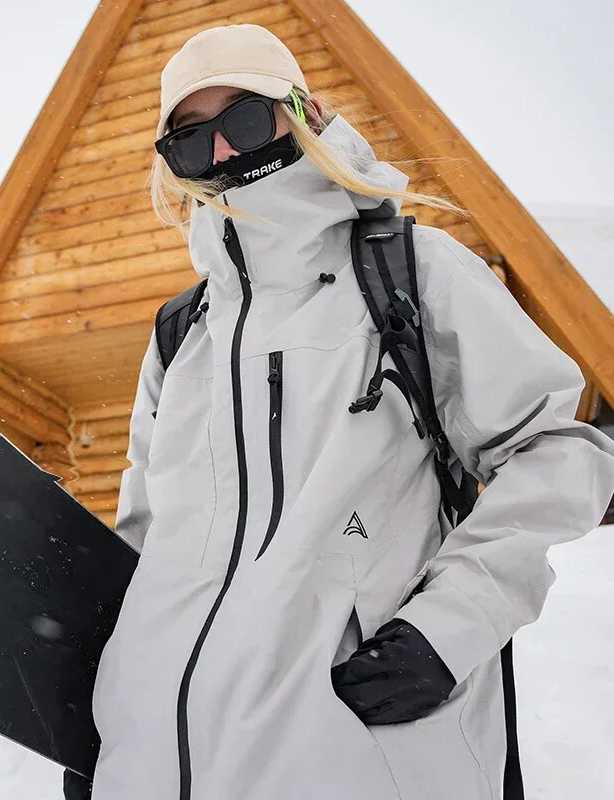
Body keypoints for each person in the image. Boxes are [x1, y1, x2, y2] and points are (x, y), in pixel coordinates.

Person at [65, 23, 614, 800]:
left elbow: (559, 451)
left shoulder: (409, 273)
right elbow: (146, 550)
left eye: (244, 120)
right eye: (191, 142)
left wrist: (446, 631)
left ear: (303, 111)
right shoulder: (180, 339)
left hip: (355, 759)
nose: (223, 155)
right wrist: (118, 729)